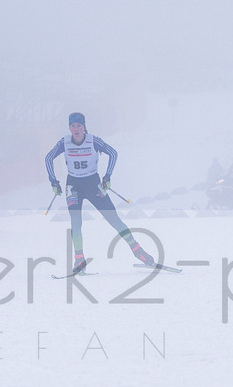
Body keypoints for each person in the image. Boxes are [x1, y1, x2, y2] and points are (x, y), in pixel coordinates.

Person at [44, 112, 154, 273]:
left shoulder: (93, 140)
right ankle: (79, 260)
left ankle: (138, 251)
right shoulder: (64, 142)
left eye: (79, 126)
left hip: (93, 184)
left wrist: (107, 176)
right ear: (69, 128)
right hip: (73, 185)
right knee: (76, 222)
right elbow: (48, 158)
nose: (76, 129)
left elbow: (113, 153)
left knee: (113, 219)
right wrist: (53, 181)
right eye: (73, 126)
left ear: (84, 127)